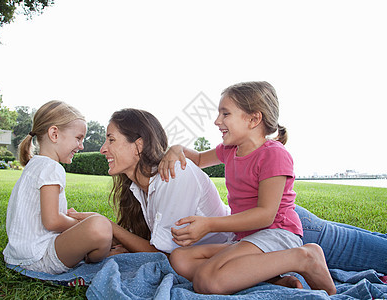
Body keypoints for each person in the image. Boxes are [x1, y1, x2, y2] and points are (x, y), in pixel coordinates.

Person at [158, 81, 336, 295]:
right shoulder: (229, 150)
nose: (217, 121)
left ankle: (305, 257)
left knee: (207, 281)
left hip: (277, 233)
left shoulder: (273, 154)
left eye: (225, 114)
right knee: (181, 258)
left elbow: (265, 216)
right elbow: (197, 158)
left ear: (254, 119)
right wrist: (175, 149)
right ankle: (273, 280)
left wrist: (208, 225)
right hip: (247, 238)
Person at [92, 108, 234, 255]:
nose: (103, 149)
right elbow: (151, 242)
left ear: (138, 146)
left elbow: (164, 254)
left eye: (111, 140)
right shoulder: (137, 187)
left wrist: (107, 225)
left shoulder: (173, 174)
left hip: (229, 250)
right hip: (197, 256)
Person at [3, 100, 112, 274]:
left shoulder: (35, 164)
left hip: (19, 255)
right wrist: (79, 224)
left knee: (95, 226)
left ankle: (95, 247)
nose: (81, 146)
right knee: (101, 226)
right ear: (54, 134)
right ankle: (92, 257)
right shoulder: (52, 167)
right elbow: (52, 221)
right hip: (39, 257)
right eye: (78, 138)